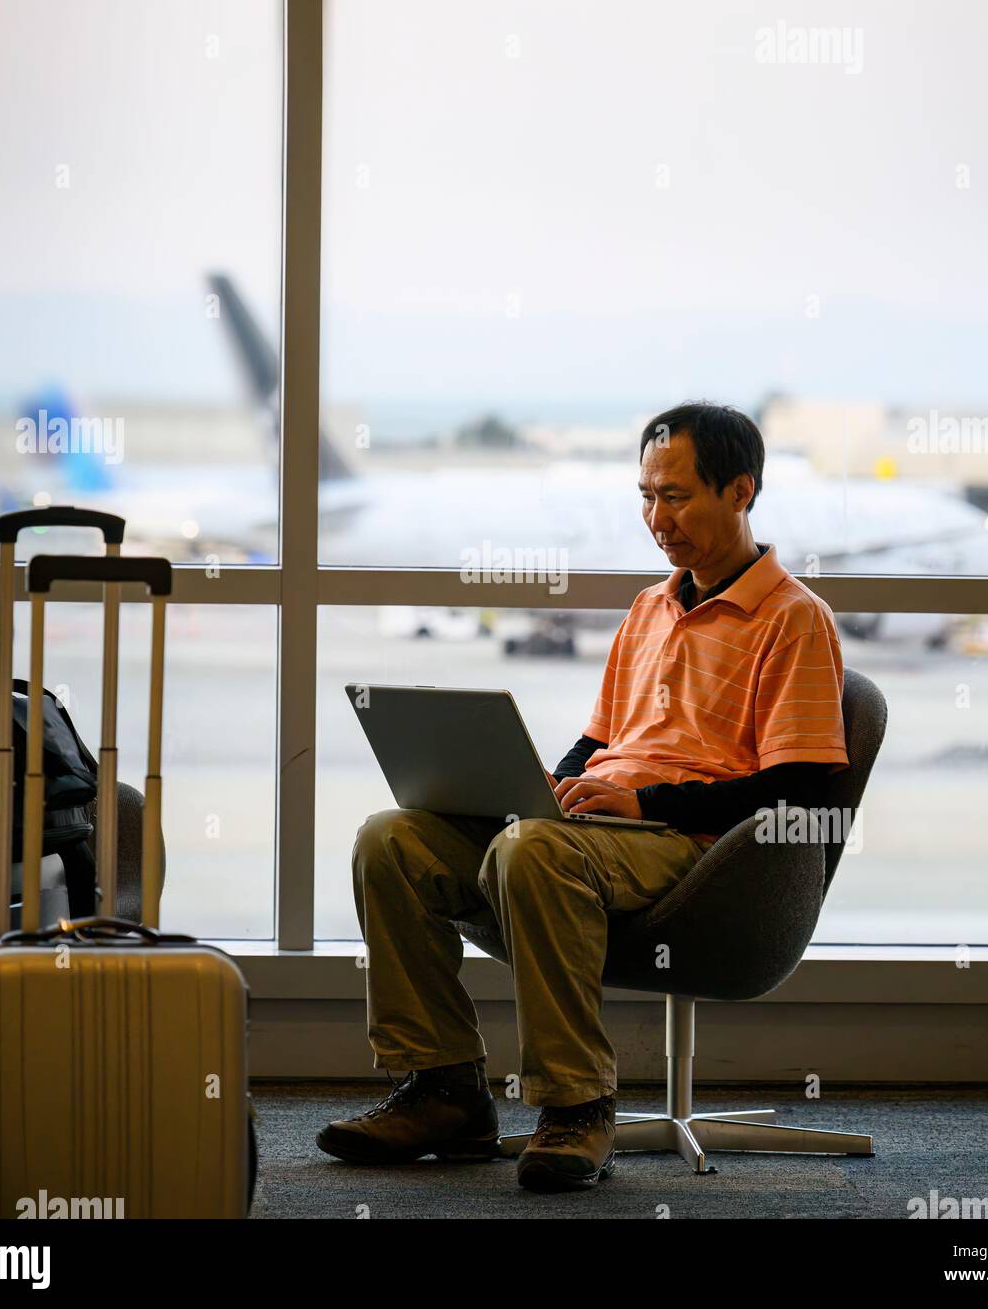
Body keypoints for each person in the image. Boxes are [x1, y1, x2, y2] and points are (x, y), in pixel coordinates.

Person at [317, 401, 849, 1191]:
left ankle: (578, 1106)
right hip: (596, 833)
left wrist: (645, 805)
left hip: (693, 853)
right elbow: (601, 741)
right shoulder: (650, 609)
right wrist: (551, 783)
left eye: (675, 497)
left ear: (740, 491)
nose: (655, 518)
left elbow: (802, 788)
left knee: (533, 849)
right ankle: (444, 1091)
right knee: (390, 839)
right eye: (646, 496)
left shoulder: (794, 619)